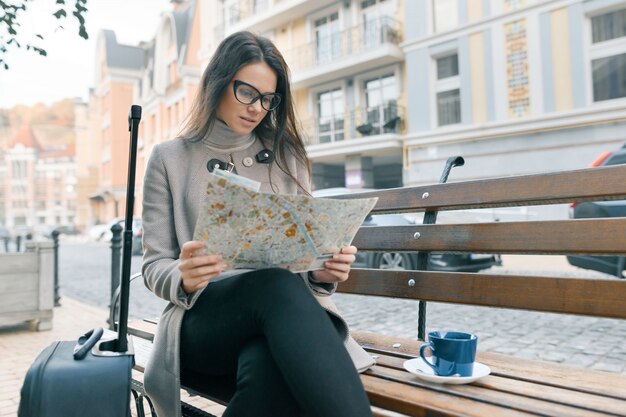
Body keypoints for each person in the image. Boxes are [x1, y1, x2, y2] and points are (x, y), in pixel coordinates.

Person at [141, 31, 375, 417]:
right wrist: (182, 275)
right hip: (202, 321)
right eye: (246, 92)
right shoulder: (170, 158)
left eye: (268, 99)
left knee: (269, 371)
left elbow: (305, 245)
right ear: (218, 82)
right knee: (274, 284)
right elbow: (154, 265)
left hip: (278, 322)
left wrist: (323, 269)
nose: (257, 108)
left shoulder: (287, 154)